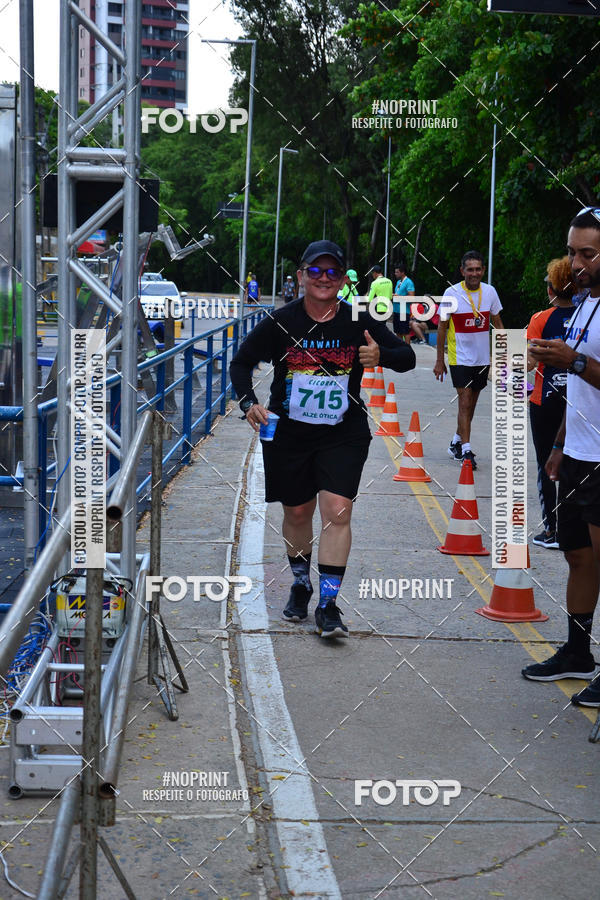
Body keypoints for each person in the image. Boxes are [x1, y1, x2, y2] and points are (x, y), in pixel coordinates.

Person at [230, 240, 415, 638]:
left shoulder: (357, 320)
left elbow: (408, 358)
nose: (324, 279)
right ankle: (300, 583)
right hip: (288, 434)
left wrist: (379, 355)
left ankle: (328, 605)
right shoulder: (281, 321)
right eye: (316, 271)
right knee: (297, 513)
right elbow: (241, 362)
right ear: (301, 277)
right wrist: (249, 404)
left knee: (338, 511)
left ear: (343, 280)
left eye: (333, 272)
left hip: (342, 433)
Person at [523, 208, 600, 706]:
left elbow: (584, 368)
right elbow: (579, 386)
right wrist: (557, 446)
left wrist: (571, 359)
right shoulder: (586, 304)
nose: (576, 263)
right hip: (576, 452)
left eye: (587, 253)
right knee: (577, 557)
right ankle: (577, 652)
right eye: (572, 252)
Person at [434, 250, 504, 471]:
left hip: (482, 359)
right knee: (464, 402)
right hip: (459, 357)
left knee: (471, 405)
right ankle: (466, 451)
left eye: (478, 269)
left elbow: (498, 324)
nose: (474, 273)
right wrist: (439, 360)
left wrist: (503, 355)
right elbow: (442, 327)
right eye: (470, 269)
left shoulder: (490, 292)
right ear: (462, 270)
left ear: (483, 270)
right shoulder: (451, 293)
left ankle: (456, 441)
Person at [526, 257, 575, 549]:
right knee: (574, 464)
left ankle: (552, 531)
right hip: (578, 401)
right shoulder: (587, 315)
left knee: (546, 464)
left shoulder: (540, 319)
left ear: (551, 288)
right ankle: (573, 530)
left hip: (545, 400)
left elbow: (530, 363)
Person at [392, 264, 415, 343]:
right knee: (398, 331)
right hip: (396, 310)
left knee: (405, 332)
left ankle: (407, 350)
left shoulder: (409, 282)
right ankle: (400, 350)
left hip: (404, 311)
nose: (395, 274)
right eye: (395, 272)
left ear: (402, 272)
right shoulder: (398, 282)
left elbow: (411, 297)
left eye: (397, 272)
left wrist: (398, 296)